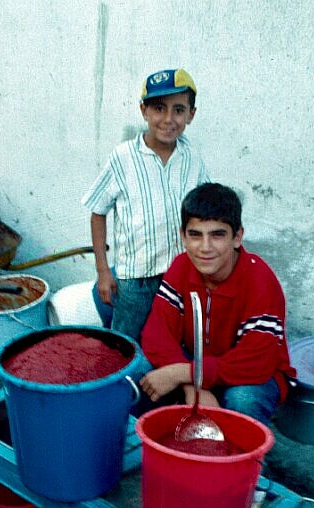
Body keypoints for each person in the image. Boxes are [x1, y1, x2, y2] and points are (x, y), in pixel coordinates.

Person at [138, 183, 295, 424]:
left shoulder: (260, 281)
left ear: (237, 237)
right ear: (183, 236)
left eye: (217, 235)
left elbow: (255, 362)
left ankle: (242, 448)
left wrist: (184, 373)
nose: (205, 248)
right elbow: (156, 334)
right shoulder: (181, 267)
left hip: (252, 374)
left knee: (243, 399)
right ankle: (160, 437)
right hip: (198, 362)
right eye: (195, 235)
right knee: (141, 368)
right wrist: (193, 385)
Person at [82, 68, 209, 342]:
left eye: (178, 110)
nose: (168, 119)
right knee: (126, 342)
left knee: (171, 337)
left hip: (178, 275)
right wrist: (103, 271)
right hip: (135, 280)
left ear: (191, 114)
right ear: (144, 111)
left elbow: (206, 211)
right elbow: (97, 212)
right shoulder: (123, 157)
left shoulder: (192, 159)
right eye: (159, 108)